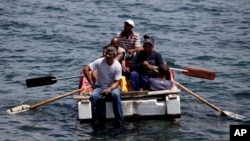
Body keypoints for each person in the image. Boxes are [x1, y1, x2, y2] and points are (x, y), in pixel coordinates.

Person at [82, 46, 124, 127]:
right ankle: (96, 120)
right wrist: (91, 83)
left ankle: (119, 120)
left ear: (114, 55)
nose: (107, 56)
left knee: (115, 95)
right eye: (106, 54)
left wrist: (109, 89)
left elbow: (117, 82)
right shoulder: (99, 61)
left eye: (110, 54)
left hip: (113, 87)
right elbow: (85, 69)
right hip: (100, 86)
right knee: (94, 95)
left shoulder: (117, 66)